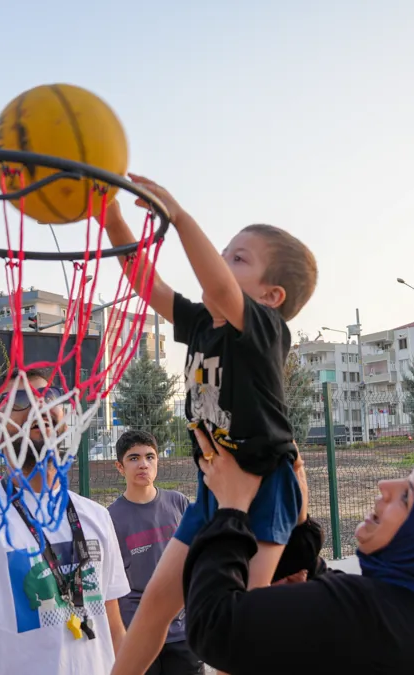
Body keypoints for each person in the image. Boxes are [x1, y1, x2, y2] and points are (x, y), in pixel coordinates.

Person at [102, 176, 318, 675]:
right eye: (222, 252)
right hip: (212, 491)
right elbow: (146, 284)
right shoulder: (203, 323)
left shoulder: (266, 330)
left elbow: (218, 284)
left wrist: (177, 215)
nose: (220, 262)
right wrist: (111, 216)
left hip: (266, 486)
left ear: (271, 295)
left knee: (240, 625)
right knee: (156, 605)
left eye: (237, 258)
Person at [181, 430, 414, 675]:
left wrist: (231, 509)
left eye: (407, 496)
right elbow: (330, 590)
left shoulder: (369, 617)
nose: (385, 487)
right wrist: (299, 524)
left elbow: (214, 625)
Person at [0, 368, 131, 675]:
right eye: (20, 400)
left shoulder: (96, 517)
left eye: (48, 397)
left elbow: (114, 633)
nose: (39, 407)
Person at [107, 430, 202, 675]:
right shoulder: (109, 518)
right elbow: (110, 583)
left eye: (150, 457)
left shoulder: (178, 503)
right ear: (120, 466)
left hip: (181, 632)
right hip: (137, 633)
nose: (143, 464)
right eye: (134, 458)